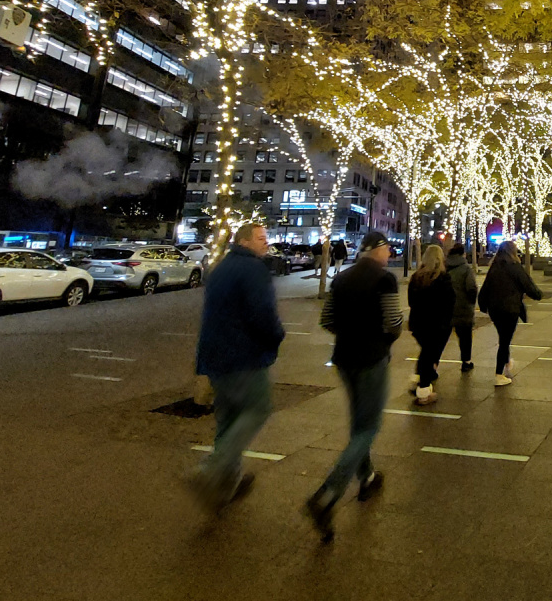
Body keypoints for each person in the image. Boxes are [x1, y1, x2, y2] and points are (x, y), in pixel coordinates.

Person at [305, 231, 402, 542]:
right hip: (372, 359)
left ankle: (367, 476)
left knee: (358, 423)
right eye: (387, 249)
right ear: (379, 250)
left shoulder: (342, 278)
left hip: (344, 358)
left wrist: (348, 333)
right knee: (368, 428)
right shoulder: (384, 279)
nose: (389, 254)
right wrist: (381, 339)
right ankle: (327, 494)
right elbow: (394, 322)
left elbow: (327, 319)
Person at [190, 222, 285, 513]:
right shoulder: (254, 270)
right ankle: (210, 471)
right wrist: (276, 336)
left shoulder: (220, 269)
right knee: (257, 408)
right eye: (261, 238)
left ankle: (223, 488)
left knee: (228, 422)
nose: (266, 243)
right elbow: (263, 314)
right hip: (243, 357)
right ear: (244, 241)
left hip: (215, 358)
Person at [478, 239, 542, 386]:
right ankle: (499, 374)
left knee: (503, 337)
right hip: (510, 309)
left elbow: (485, 289)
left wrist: (483, 306)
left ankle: (506, 362)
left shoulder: (494, 267)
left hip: (495, 309)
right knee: (505, 341)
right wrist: (538, 294)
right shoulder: (515, 267)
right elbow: (527, 284)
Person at [406, 244, 455, 405]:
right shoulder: (443, 278)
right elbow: (449, 302)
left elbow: (411, 301)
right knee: (429, 355)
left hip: (418, 323)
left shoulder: (416, 278)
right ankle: (423, 390)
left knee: (426, 353)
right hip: (437, 325)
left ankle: (419, 379)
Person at [444, 242, 478, 372]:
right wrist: (470, 303)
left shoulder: (443, 266)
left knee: (441, 340)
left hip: (445, 309)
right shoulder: (465, 269)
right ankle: (466, 361)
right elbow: (471, 288)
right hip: (463, 309)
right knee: (465, 337)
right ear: (463, 254)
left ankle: (433, 365)